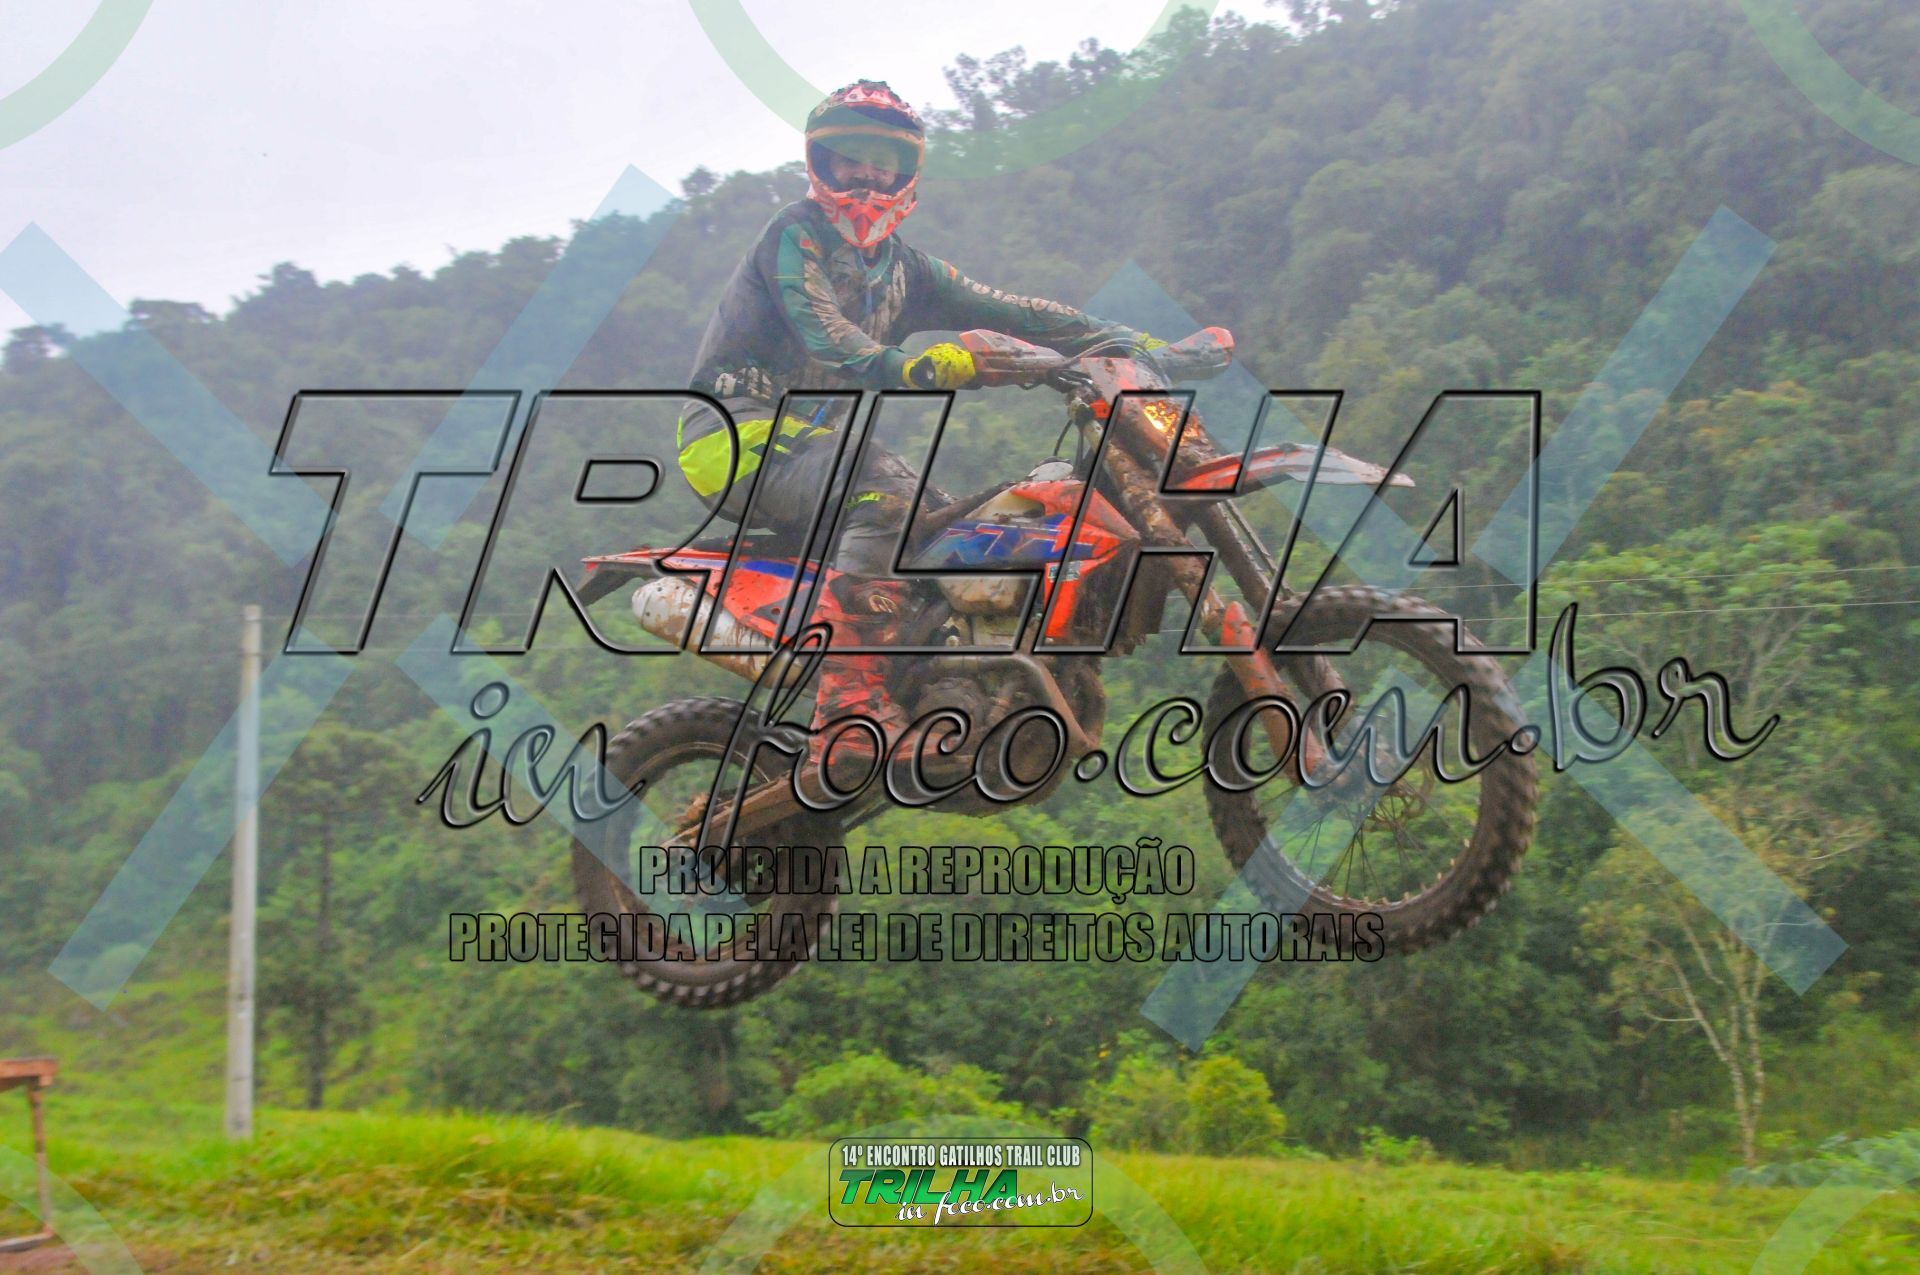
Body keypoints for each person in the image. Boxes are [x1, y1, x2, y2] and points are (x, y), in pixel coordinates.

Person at [677, 79, 1155, 754]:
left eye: (883, 161)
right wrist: (912, 366)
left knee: (951, 524)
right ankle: (846, 707)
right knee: (887, 492)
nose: (867, 174)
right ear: (821, 162)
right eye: (851, 157)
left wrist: (1135, 342)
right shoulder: (794, 235)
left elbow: (1015, 310)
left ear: (907, 173)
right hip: (731, 435)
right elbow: (826, 333)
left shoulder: (906, 269)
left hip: (815, 448)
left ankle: (943, 682)